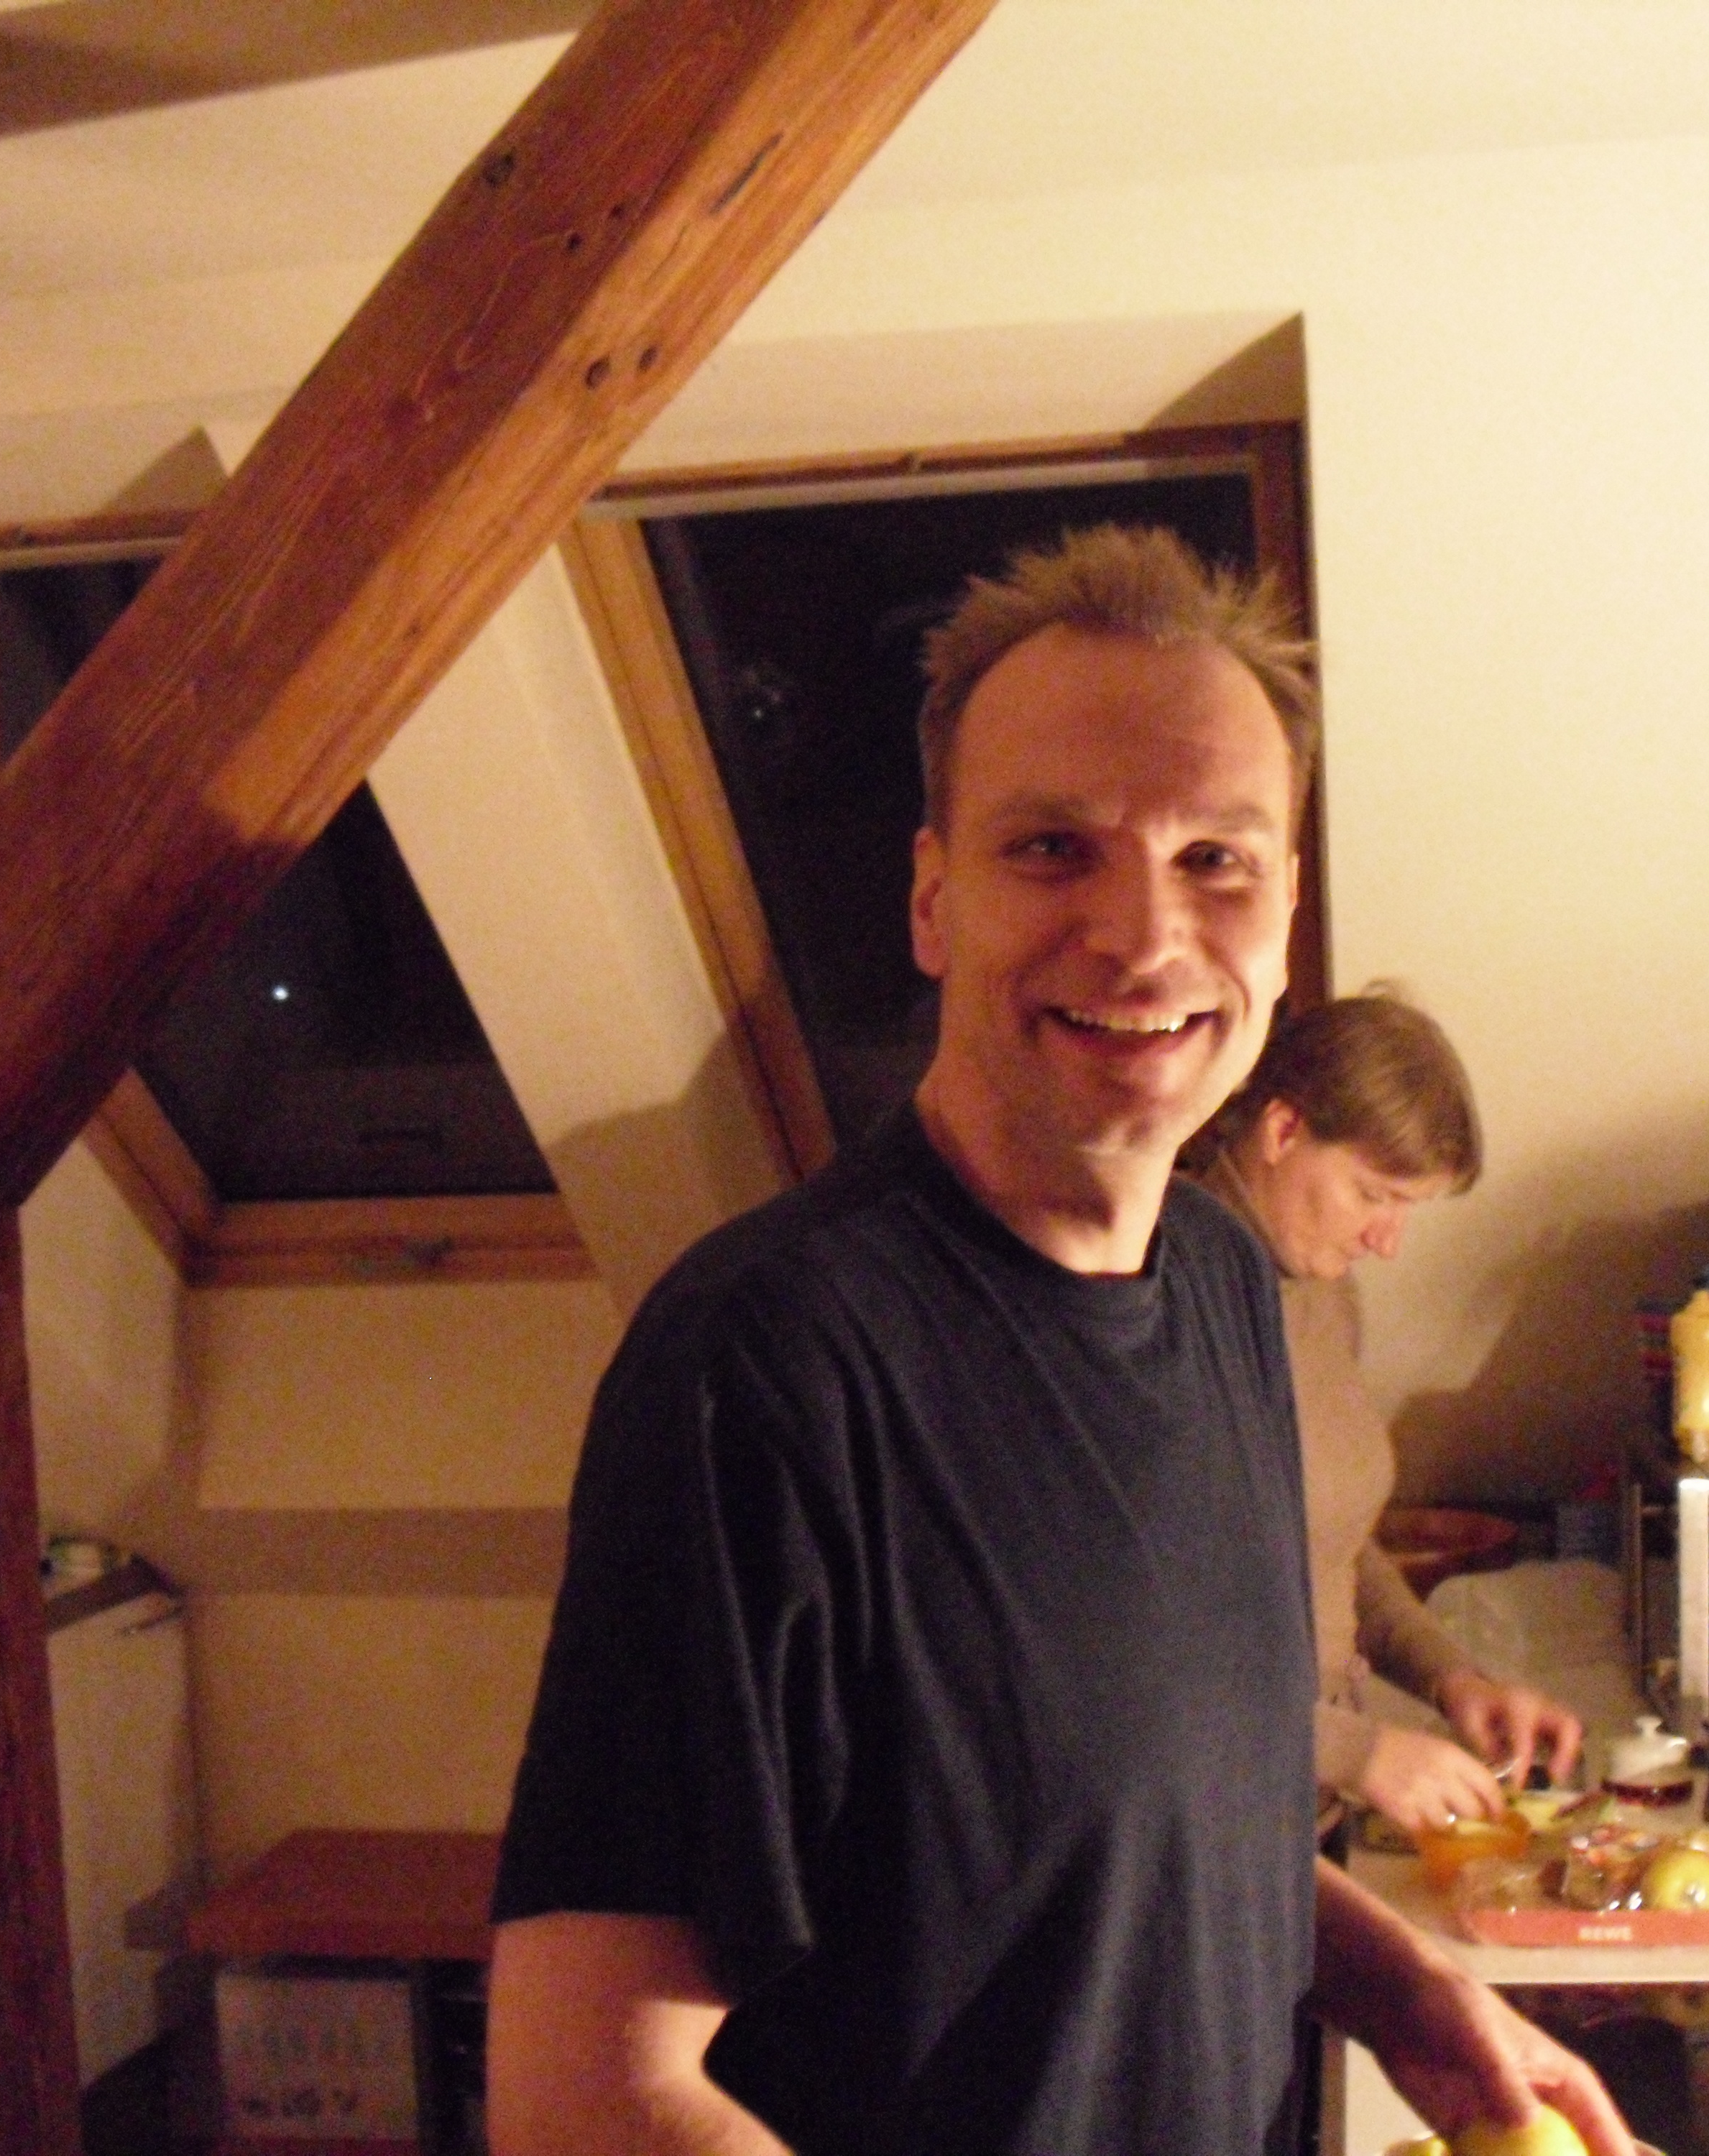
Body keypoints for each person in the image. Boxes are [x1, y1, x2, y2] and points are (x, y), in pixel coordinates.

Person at [485, 526, 1633, 2156]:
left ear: (1284, 914)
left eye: (1216, 859)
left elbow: (1168, 1822)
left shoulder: (1230, 1289)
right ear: (932, 898)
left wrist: (1407, 1988)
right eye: (1051, 849)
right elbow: (584, 2097)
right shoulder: (762, 1367)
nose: (1146, 936)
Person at [1195, 992, 1588, 1835]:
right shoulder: (1161, 1297)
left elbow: (1330, 1542)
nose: (1388, 1240)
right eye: (1373, 1194)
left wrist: (1453, 1680)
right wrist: (1355, 1752)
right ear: (1282, 1131)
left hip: (1302, 1805)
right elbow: (1123, 1643)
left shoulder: (1320, 1294)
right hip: (1201, 1822)